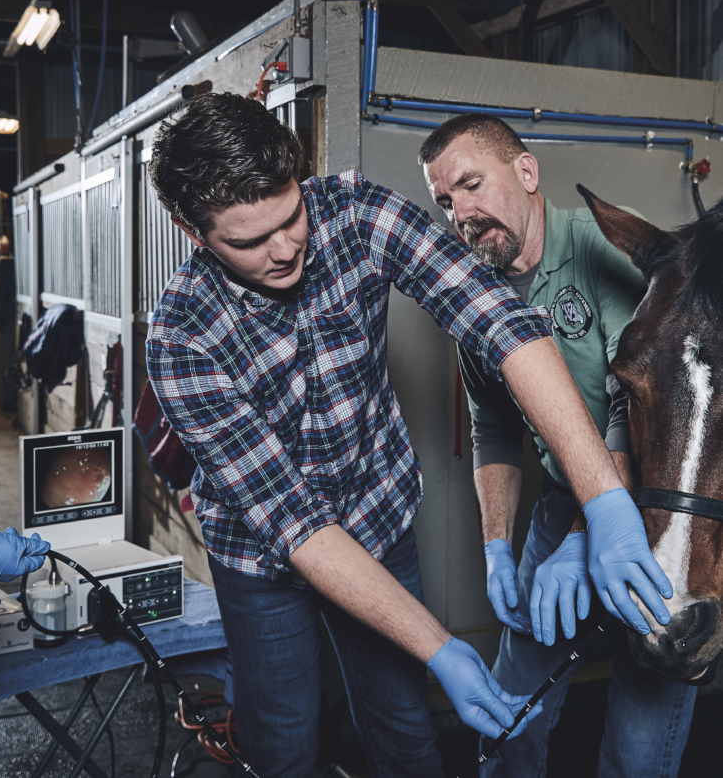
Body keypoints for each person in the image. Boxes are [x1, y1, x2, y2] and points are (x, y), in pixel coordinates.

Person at [146, 92, 669, 778]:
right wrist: (441, 646)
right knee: (284, 745)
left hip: (378, 518)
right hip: (262, 560)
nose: (284, 250)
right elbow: (297, 524)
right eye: (248, 241)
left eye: (291, 217)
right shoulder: (181, 339)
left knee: (405, 737)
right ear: (194, 234)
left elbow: (500, 324)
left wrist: (603, 501)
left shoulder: (355, 211)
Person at [420, 113, 695, 777]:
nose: (462, 212)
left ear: (527, 171)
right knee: (508, 718)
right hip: (558, 508)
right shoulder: (476, 296)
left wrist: (584, 536)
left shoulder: (607, 241)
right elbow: (493, 430)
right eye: (445, 202)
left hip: (652, 512)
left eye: (471, 184)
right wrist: (495, 549)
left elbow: (637, 405)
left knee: (636, 749)